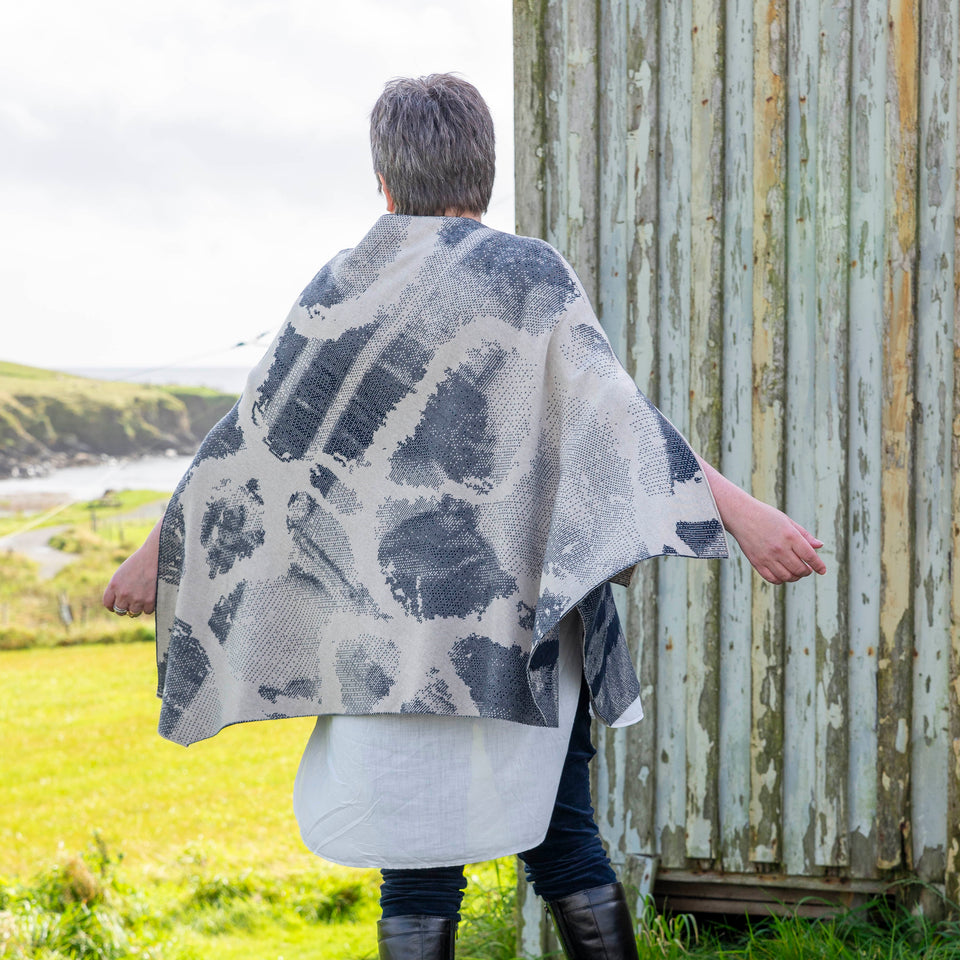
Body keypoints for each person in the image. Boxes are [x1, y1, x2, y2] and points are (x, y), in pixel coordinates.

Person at [104, 74, 825, 960]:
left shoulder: (343, 284)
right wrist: (745, 516)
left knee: (416, 865)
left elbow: (256, 441)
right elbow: (620, 422)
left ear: (383, 181)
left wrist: (156, 554)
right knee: (565, 843)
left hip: (392, 632)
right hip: (520, 622)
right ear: (485, 172)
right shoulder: (526, 273)